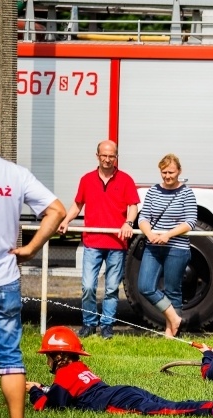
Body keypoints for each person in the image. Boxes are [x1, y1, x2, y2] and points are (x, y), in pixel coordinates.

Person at [0, 110, 66, 418]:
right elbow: (56, 210)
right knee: (10, 359)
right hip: (4, 278)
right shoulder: (14, 173)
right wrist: (30, 247)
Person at [26, 326, 213, 418]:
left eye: (47, 355)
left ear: (56, 357)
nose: (46, 359)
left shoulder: (64, 376)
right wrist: (46, 389)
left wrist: (35, 391)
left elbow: (52, 406)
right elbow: (67, 394)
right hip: (123, 391)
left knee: (167, 410)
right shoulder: (79, 368)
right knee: (170, 403)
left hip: (116, 400)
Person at [57, 140, 140, 340]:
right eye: (104, 155)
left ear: (116, 157)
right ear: (97, 156)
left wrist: (128, 223)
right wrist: (66, 221)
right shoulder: (86, 179)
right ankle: (88, 324)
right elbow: (78, 205)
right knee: (87, 286)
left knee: (111, 288)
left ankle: (107, 327)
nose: (107, 159)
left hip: (116, 244)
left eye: (111, 156)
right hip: (92, 242)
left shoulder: (126, 180)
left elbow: (133, 205)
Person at [137, 154, 197, 338]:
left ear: (179, 171)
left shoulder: (186, 192)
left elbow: (191, 221)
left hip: (177, 247)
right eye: (164, 172)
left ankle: (171, 332)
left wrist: (167, 235)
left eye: (171, 172)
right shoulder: (153, 191)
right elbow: (143, 217)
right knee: (145, 286)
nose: (167, 176)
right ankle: (174, 318)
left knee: (173, 289)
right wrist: (150, 234)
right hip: (153, 245)